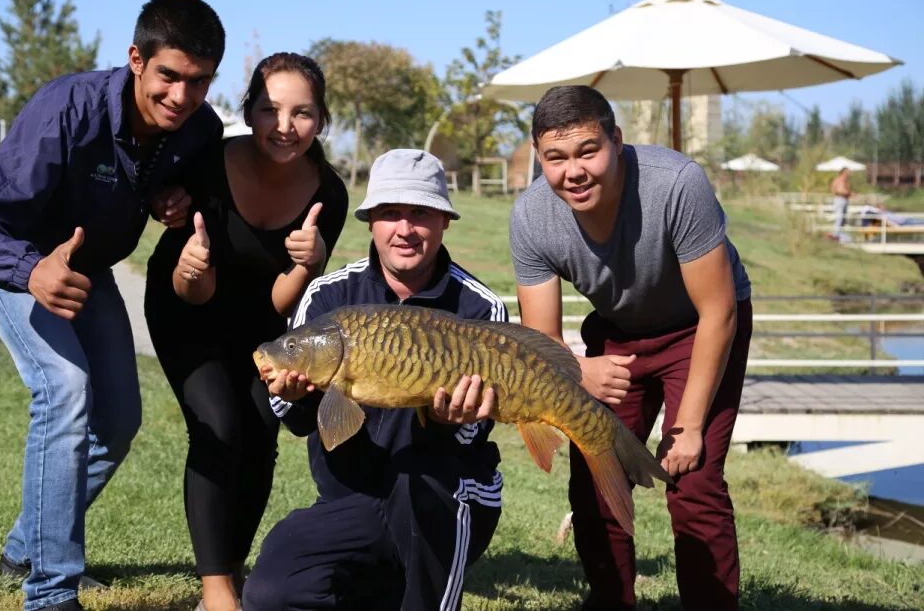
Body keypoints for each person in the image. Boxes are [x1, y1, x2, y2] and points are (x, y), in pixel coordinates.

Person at [0, 0, 226, 611]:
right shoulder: (65, 109)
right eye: (169, 77)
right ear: (136, 59)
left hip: (85, 269)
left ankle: (27, 546)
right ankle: (50, 592)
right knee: (65, 391)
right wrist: (29, 270)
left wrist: (172, 196)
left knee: (119, 420)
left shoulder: (198, 130)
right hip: (10, 256)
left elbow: (182, 187)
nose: (182, 96)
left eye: (199, 81)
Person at [509, 86, 752, 611]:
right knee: (596, 471)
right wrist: (580, 371)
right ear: (539, 158)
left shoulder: (677, 183)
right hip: (618, 332)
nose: (573, 171)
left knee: (695, 478)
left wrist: (685, 429)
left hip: (699, 327)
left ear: (616, 141)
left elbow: (719, 311)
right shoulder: (531, 216)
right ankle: (613, 601)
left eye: (587, 151)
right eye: (555, 158)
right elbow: (542, 339)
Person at [242, 149, 506, 611]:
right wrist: (296, 396)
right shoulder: (329, 297)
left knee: (420, 494)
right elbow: (300, 421)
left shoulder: (480, 310)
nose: (404, 230)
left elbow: (472, 436)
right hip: (355, 499)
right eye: (389, 214)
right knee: (271, 593)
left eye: (420, 213)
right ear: (370, 223)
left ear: (445, 220)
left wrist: (447, 422)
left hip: (445, 494)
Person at [143, 52, 348, 611]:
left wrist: (310, 263)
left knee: (261, 429)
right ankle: (216, 593)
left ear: (322, 119)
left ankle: (231, 566)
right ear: (250, 111)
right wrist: (187, 260)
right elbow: (189, 283)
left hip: (262, 325)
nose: (285, 127)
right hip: (184, 302)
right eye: (270, 109)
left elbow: (280, 302)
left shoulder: (329, 193)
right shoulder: (206, 162)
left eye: (302, 113)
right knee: (219, 424)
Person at [830, 166, 852, 240]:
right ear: (844, 172)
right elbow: (838, 190)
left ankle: (839, 235)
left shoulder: (844, 180)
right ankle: (835, 235)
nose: (849, 173)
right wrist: (847, 192)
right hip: (840, 200)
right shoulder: (839, 180)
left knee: (842, 219)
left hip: (843, 200)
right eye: (848, 171)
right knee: (839, 217)